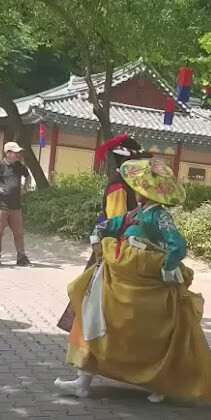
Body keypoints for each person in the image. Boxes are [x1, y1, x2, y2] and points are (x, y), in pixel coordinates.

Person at [54, 159, 211, 407]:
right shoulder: (138, 213)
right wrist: (98, 235)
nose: (135, 191)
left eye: (139, 188)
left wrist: (167, 268)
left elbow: (177, 245)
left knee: (147, 334)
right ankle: (82, 381)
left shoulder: (160, 216)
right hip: (120, 277)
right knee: (95, 318)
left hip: (146, 284)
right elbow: (111, 224)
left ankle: (159, 383)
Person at [57, 134, 151, 332]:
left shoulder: (125, 184)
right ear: (125, 161)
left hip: (116, 243)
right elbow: (117, 220)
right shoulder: (118, 185)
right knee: (102, 290)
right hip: (112, 245)